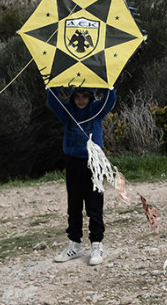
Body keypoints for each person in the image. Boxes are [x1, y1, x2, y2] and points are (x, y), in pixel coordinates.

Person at [47, 86, 117, 266]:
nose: (80, 100)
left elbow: (110, 100)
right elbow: (52, 101)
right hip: (73, 162)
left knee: (94, 205)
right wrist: (52, 83)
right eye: (77, 96)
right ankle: (75, 244)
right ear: (72, 98)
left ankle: (96, 244)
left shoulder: (96, 110)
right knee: (74, 204)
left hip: (94, 163)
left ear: (90, 97)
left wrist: (108, 85)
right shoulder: (68, 112)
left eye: (85, 96)